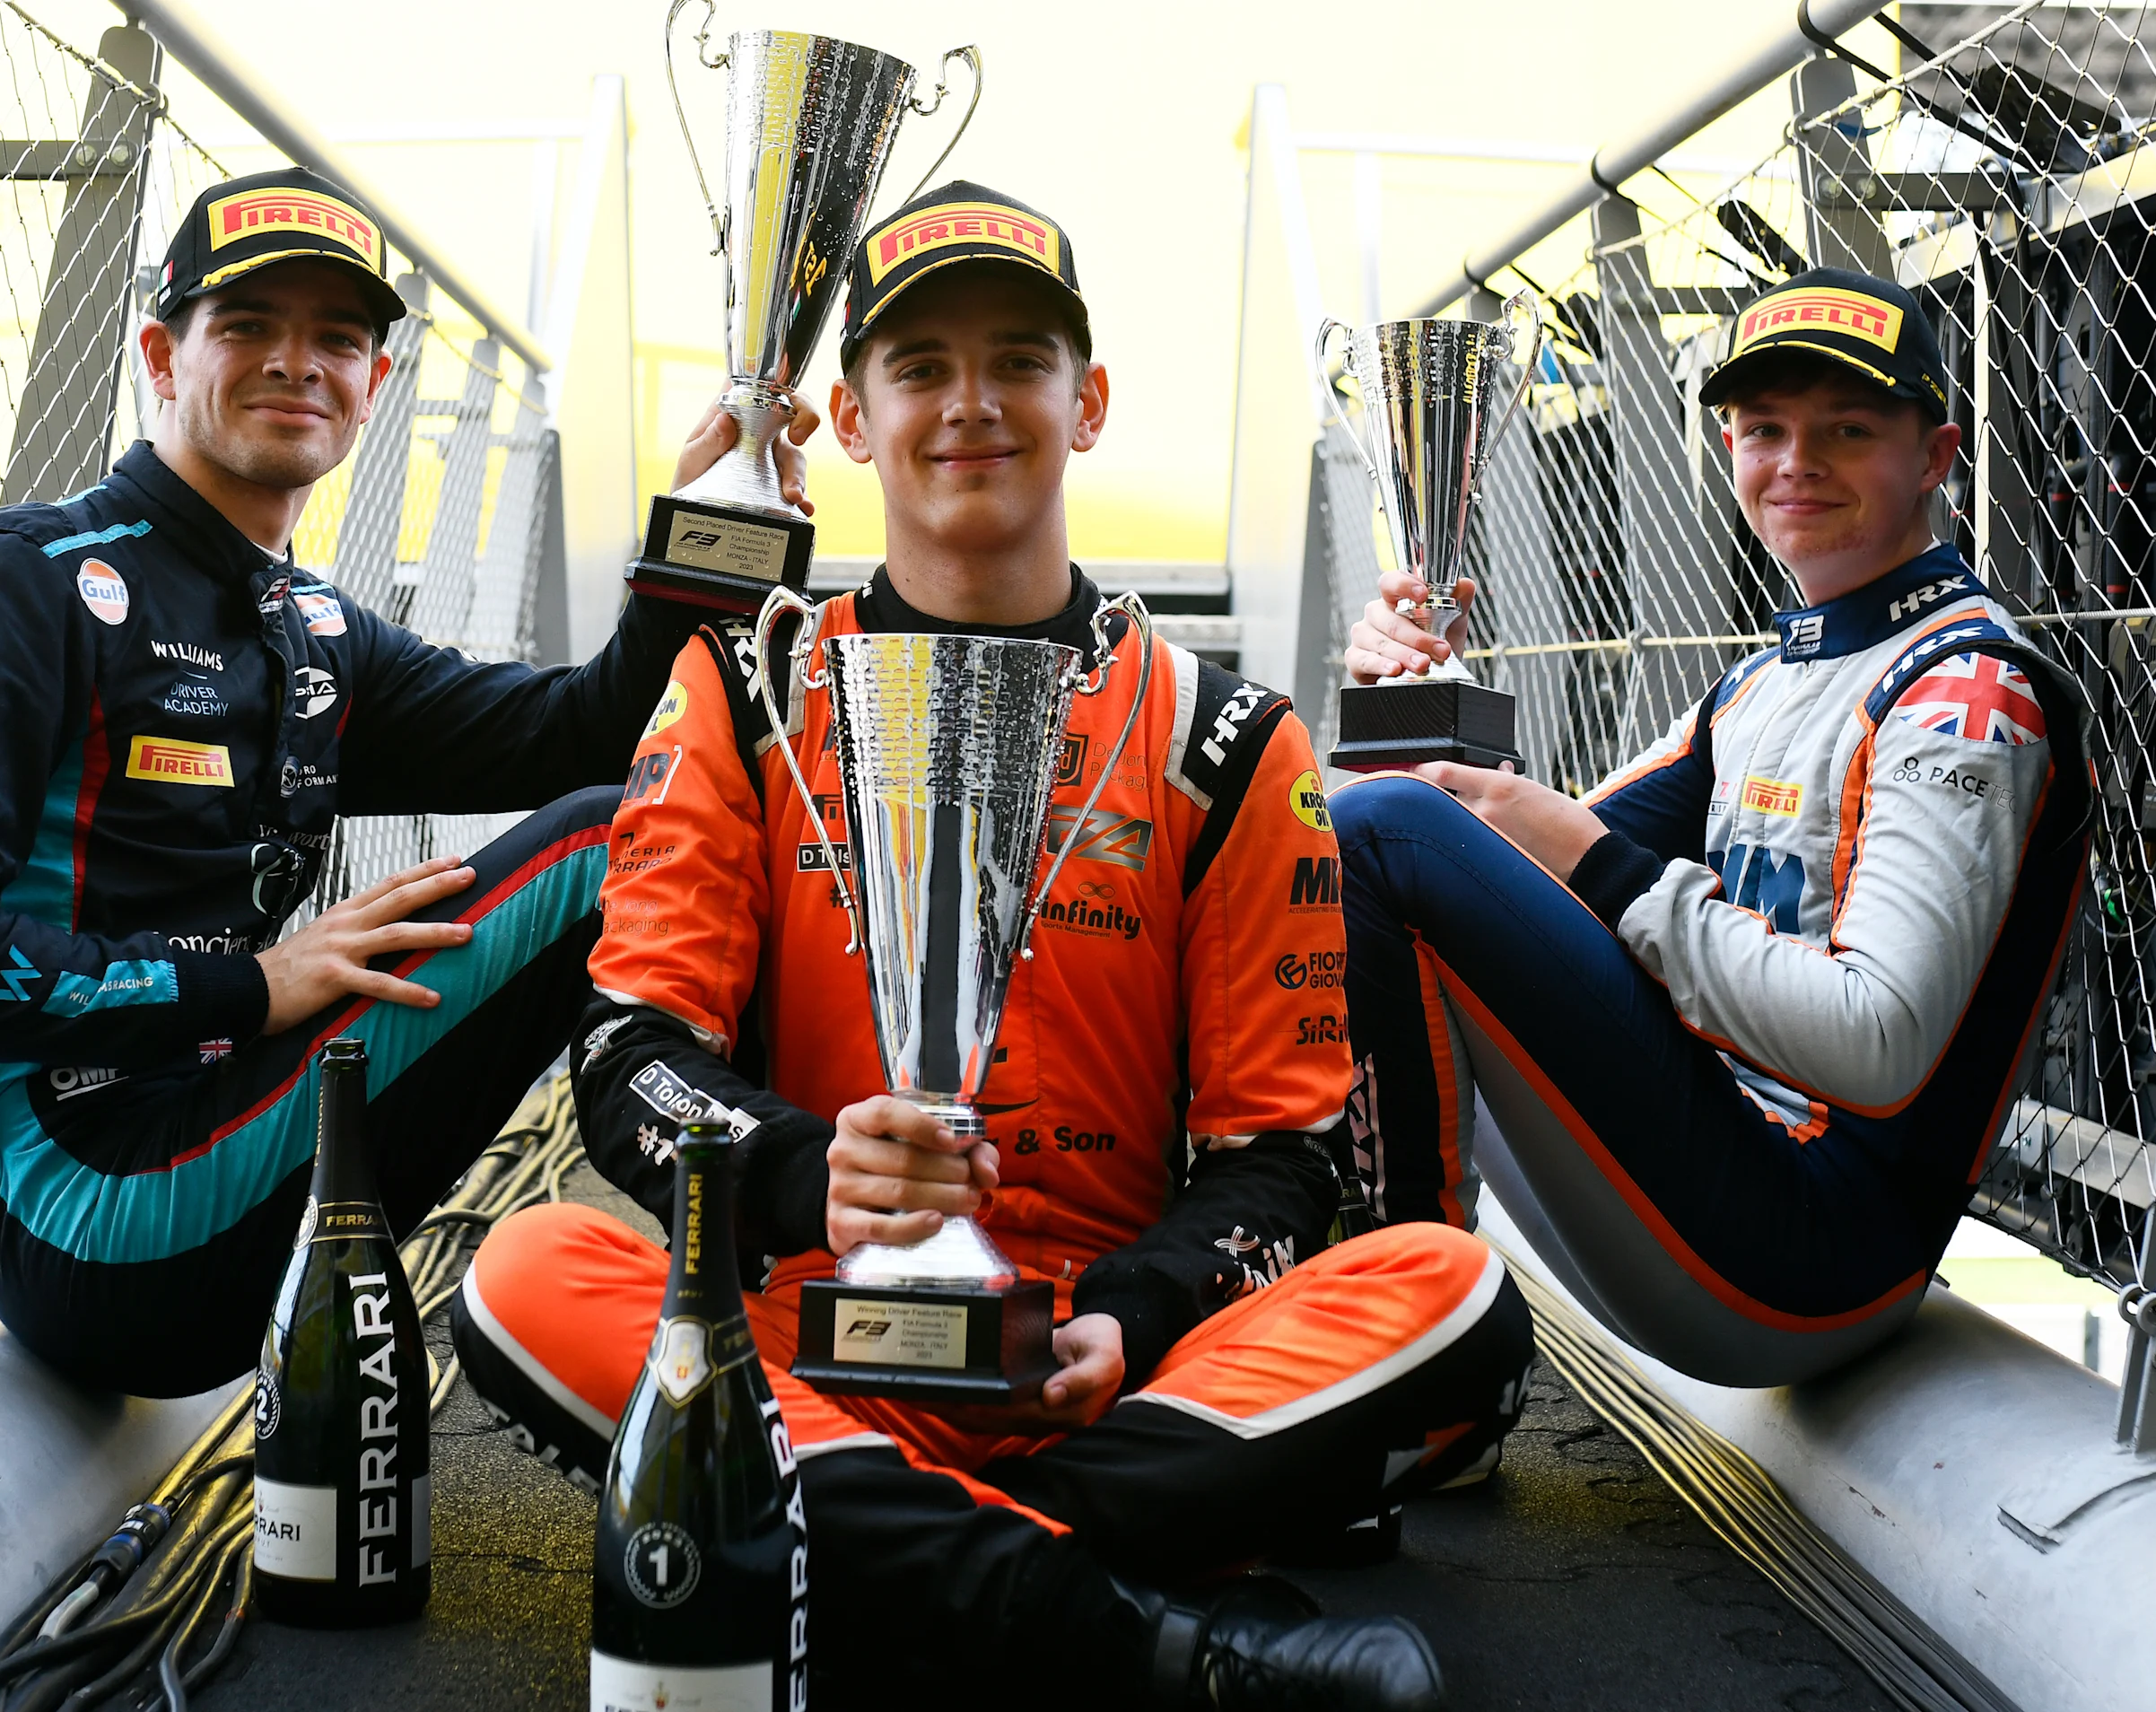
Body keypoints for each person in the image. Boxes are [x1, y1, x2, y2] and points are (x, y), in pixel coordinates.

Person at [451, 182, 1532, 1712]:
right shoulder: (742, 694)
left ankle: (866, 1552)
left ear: (1086, 404)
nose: (972, 405)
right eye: (920, 367)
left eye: (1019, 361)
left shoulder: (1223, 735)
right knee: (523, 1275)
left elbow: (1281, 1158)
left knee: (1449, 1285)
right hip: (814, 1347)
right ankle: (1133, 1630)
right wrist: (801, 1164)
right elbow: (630, 1060)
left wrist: (1129, 1313)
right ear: (847, 413)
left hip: (1116, 1369)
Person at [0, 167, 784, 1397]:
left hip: (227, 1118)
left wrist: (714, 526)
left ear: (373, 386)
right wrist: (251, 982)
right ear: (162, 355)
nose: (298, 363)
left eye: (336, 337)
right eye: (248, 327)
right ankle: (789, 1251)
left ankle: (794, 1282)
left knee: (671, 814)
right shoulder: (25, 581)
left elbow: (584, 731)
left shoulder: (316, 629)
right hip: (94, 1207)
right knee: (625, 844)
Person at [1331, 266, 2094, 1387]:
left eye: (1846, 429)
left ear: (1933, 457)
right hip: (1721, 1180)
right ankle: (1362, 1316)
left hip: (1811, 1249)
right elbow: (1499, 873)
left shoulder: (1968, 688)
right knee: (1383, 833)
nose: (1796, 463)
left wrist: (1601, 869)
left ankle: (1410, 1372)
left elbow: (1876, 1046)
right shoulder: (1767, 676)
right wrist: (1395, 696)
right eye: (1763, 429)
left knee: (1390, 835)